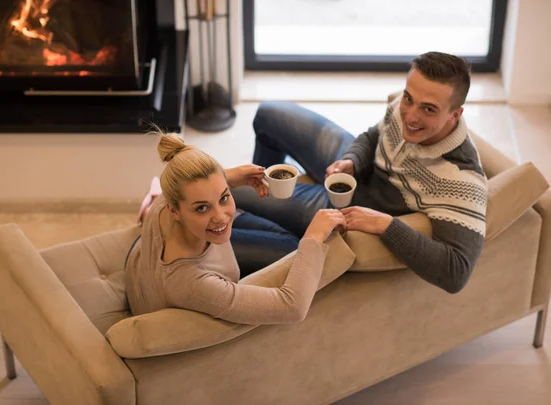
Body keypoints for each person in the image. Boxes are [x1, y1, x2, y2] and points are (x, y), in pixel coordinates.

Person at [231, 51, 488, 294]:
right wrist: (351, 161)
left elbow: (456, 273)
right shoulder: (409, 102)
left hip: (355, 204)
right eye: (409, 99)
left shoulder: (461, 181)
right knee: (269, 114)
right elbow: (372, 136)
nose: (410, 115)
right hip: (356, 170)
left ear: (455, 114)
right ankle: (269, 210)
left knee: (234, 190)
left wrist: (386, 224)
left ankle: (270, 224)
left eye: (428, 109)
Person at [125, 133, 349, 324]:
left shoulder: (167, 200)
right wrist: (313, 236)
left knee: (278, 237)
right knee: (293, 245)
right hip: (156, 287)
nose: (221, 217)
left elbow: (195, 194)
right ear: (174, 211)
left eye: (224, 197)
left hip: (139, 260)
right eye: (201, 208)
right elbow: (293, 307)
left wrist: (229, 176)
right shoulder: (190, 284)